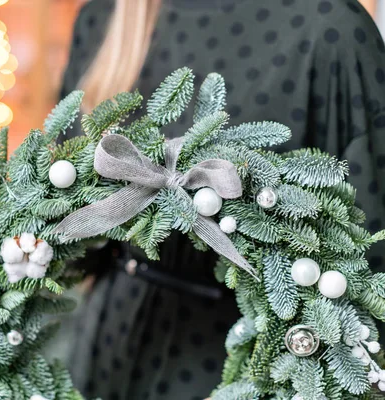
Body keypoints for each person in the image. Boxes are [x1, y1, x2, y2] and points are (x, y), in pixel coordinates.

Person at [59, 0, 385, 399]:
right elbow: (62, 213)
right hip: (105, 354)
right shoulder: (105, 17)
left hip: (253, 365)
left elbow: (373, 261)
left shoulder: (330, 30)